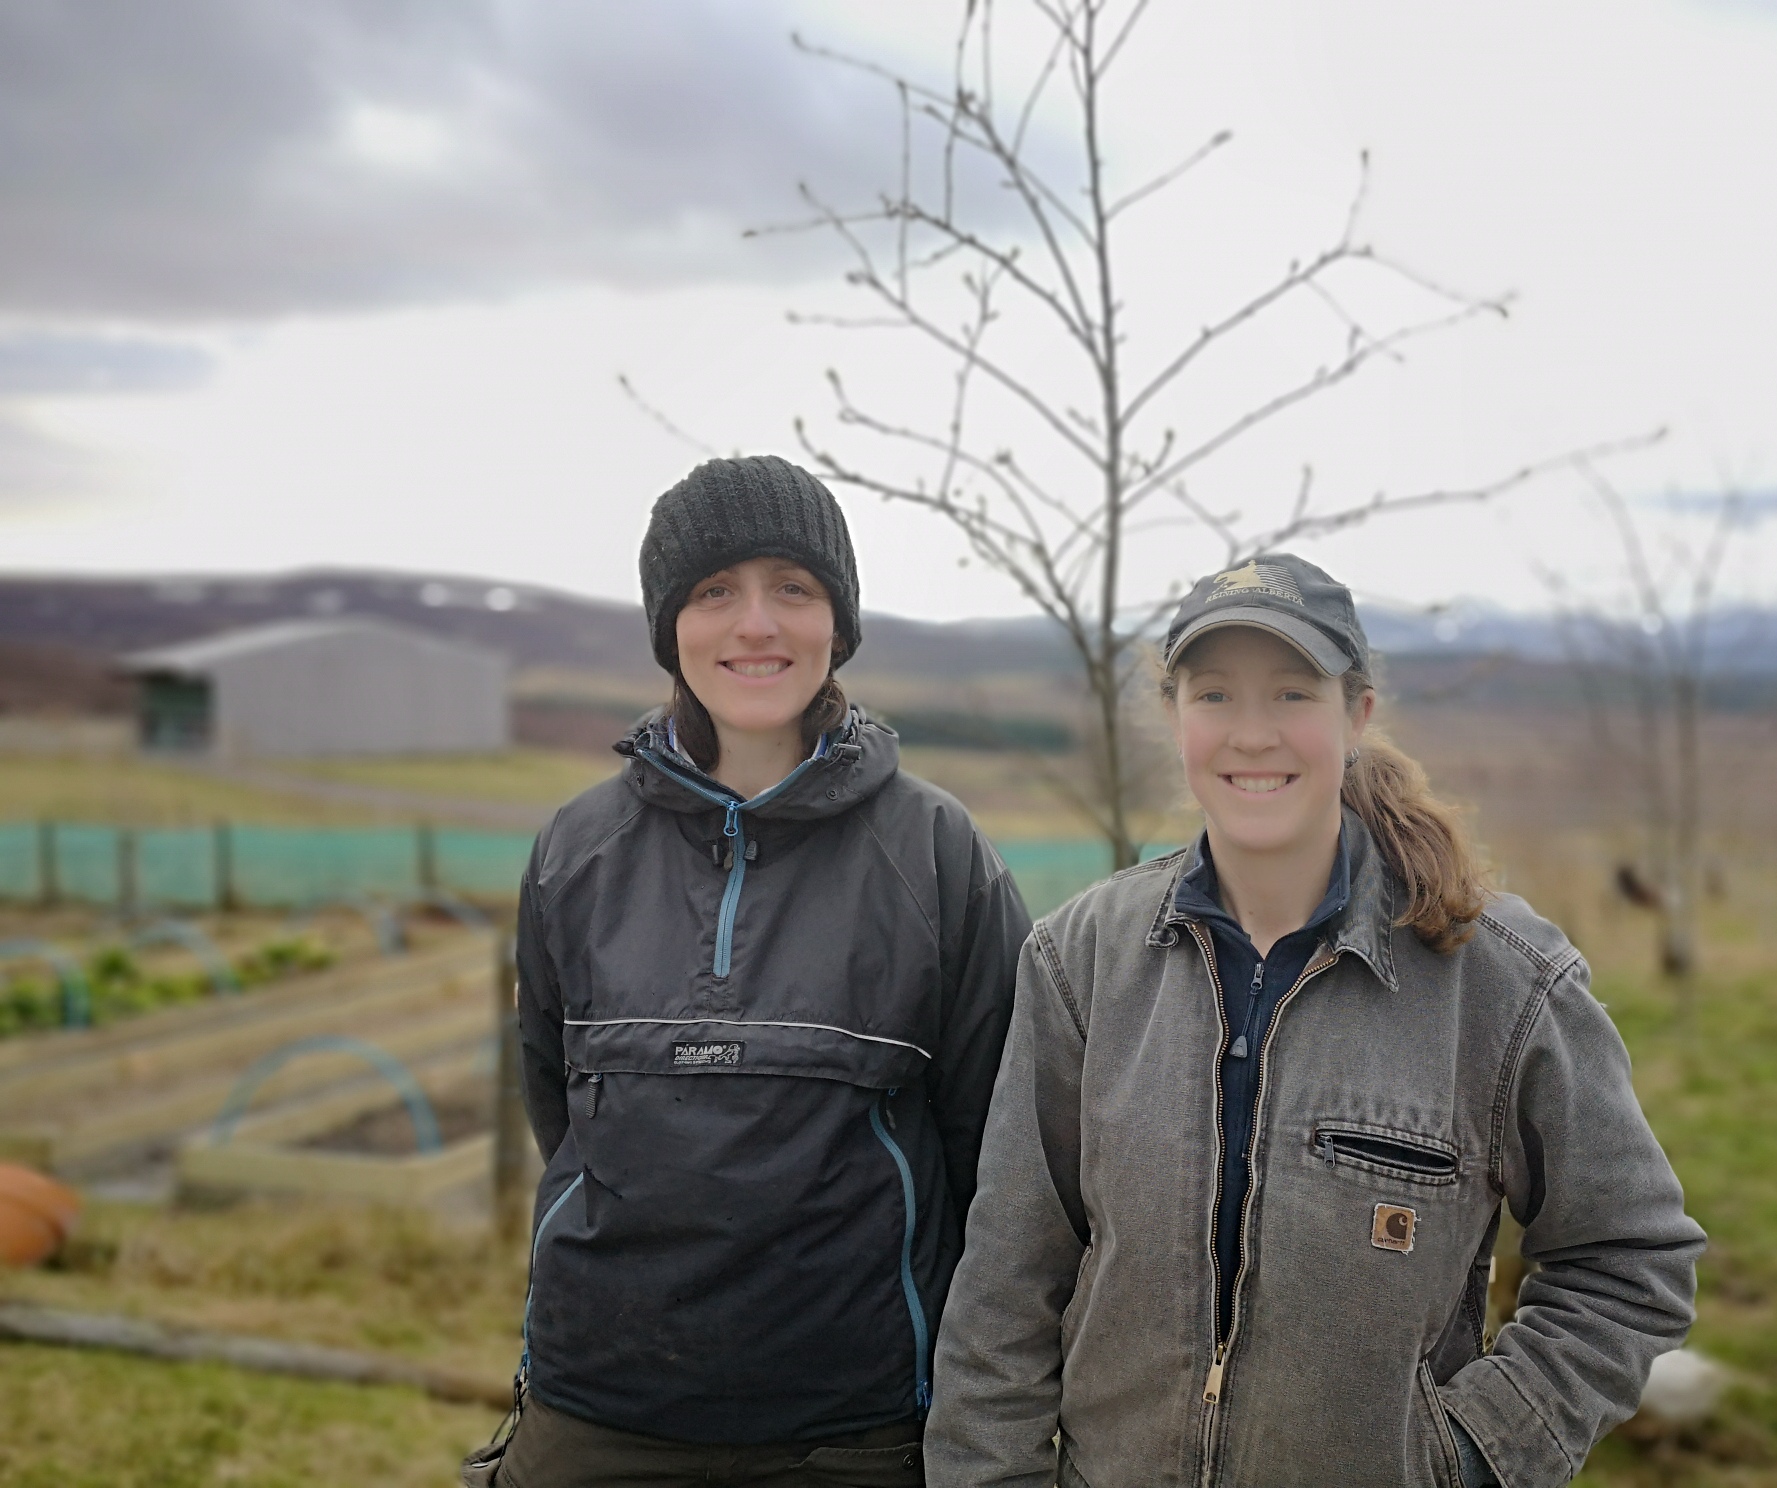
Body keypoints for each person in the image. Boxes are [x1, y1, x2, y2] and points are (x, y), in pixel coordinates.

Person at [925, 554, 1706, 1488]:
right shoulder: (1081, 960)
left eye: (1292, 693)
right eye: (1214, 695)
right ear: (1177, 716)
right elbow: (1005, 1289)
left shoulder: (1500, 981)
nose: (1252, 736)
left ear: (1356, 715)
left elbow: (1630, 1258)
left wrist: (1470, 1454)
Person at [486, 456, 1030, 1488]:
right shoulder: (577, 850)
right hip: (599, 1416)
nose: (755, 625)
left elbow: (996, 1150)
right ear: (669, 626)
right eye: (714, 591)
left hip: (852, 1429)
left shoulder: (933, 852)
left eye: (793, 588)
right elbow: (558, 1108)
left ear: (838, 622)